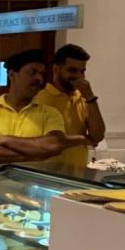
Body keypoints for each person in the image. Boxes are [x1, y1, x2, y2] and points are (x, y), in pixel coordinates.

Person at [0, 49, 88, 168]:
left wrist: (4, 140)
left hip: (34, 181)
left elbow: (53, 145)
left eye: (41, 73)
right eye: (33, 72)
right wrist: (35, 156)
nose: (39, 78)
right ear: (12, 75)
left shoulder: (50, 113)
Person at [35, 43, 106, 172]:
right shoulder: (41, 99)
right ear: (56, 69)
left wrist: (90, 97)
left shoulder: (83, 98)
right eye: (72, 70)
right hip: (49, 177)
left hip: (78, 176)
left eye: (82, 71)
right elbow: (47, 143)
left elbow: (98, 136)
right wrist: (84, 140)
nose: (79, 76)